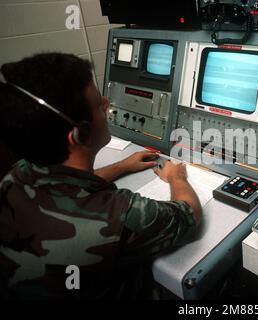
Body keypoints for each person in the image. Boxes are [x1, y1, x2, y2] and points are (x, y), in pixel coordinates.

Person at [0, 53, 202, 299]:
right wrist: (177, 178)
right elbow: (189, 216)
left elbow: (66, 188)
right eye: (98, 104)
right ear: (78, 134)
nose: (107, 103)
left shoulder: (16, 176)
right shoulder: (121, 217)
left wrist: (121, 166)